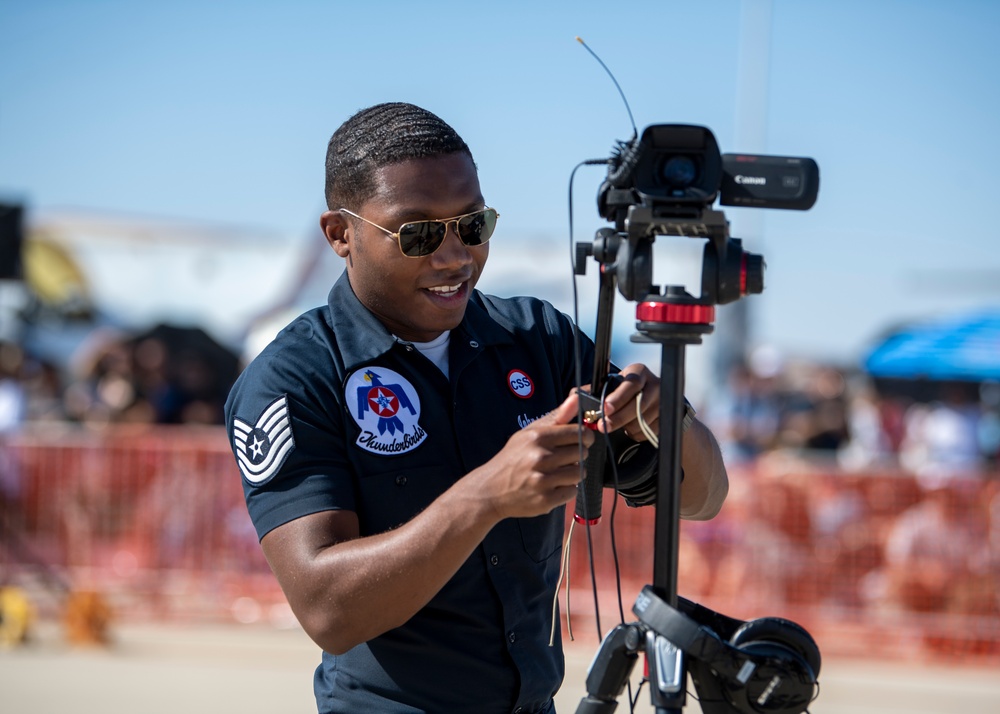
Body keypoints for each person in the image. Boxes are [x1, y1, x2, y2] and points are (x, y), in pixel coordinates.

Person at [225, 102, 729, 714]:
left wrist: (667, 415)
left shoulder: (538, 338)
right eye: (417, 233)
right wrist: (487, 495)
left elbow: (701, 499)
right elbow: (328, 610)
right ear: (340, 234)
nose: (453, 256)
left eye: (472, 224)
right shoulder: (293, 377)